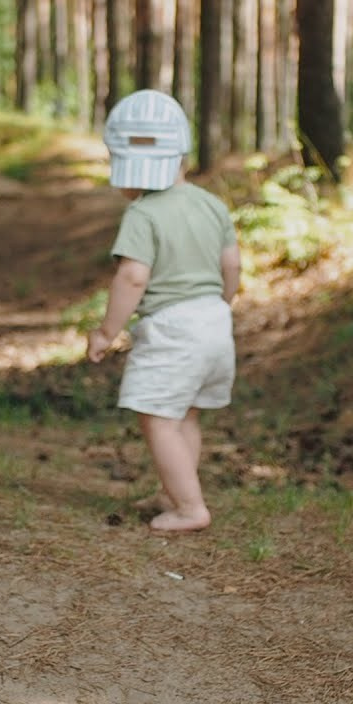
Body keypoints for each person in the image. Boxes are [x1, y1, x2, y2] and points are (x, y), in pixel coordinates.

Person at [86, 90, 242, 533]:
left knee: (156, 418)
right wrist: (222, 305)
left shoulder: (143, 213)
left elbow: (133, 278)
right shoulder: (212, 204)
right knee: (184, 414)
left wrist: (107, 331)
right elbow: (231, 264)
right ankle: (174, 491)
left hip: (174, 329)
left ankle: (191, 508)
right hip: (214, 321)